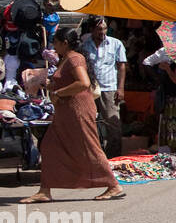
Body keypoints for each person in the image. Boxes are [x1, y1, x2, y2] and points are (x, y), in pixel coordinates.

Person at [20, 28, 124, 203]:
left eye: (56, 43)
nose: (54, 46)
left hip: (78, 110)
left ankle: (113, 184)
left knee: (89, 147)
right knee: (50, 146)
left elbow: (83, 83)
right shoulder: (66, 59)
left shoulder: (74, 58)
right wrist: (49, 84)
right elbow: (68, 82)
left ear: (64, 43)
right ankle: (45, 190)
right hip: (65, 112)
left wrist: (59, 92)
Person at [80, 15, 127, 157]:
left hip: (109, 89)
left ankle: (114, 157)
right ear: (92, 30)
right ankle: (95, 155)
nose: (102, 32)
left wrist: (121, 88)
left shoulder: (116, 43)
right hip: (90, 89)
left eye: (104, 29)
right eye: (99, 29)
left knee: (113, 123)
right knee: (90, 123)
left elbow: (122, 67)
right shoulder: (84, 46)